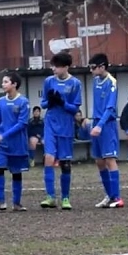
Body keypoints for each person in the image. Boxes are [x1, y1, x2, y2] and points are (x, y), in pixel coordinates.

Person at [39, 52, 83, 209]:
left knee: (65, 163)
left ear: (66, 67)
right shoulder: (48, 81)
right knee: (49, 159)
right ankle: (50, 197)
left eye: (57, 66)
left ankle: (65, 198)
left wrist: (62, 102)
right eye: (52, 66)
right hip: (50, 123)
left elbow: (75, 109)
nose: (53, 69)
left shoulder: (75, 83)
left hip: (65, 126)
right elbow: (43, 104)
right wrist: (50, 102)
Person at [88, 54, 124, 208]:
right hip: (96, 123)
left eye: (93, 67)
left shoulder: (112, 82)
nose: (91, 71)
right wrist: (92, 122)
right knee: (99, 161)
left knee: (110, 159)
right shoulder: (95, 81)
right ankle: (109, 195)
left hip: (106, 125)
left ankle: (117, 198)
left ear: (102, 66)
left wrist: (100, 125)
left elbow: (110, 107)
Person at [0, 73, 30, 212]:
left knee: (16, 173)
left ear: (14, 84)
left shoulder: (23, 102)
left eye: (6, 82)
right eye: (3, 82)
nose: (3, 84)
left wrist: (3, 135)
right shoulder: (0, 102)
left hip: (17, 144)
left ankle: (17, 203)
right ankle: (0, 201)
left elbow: (22, 124)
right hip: (2, 145)